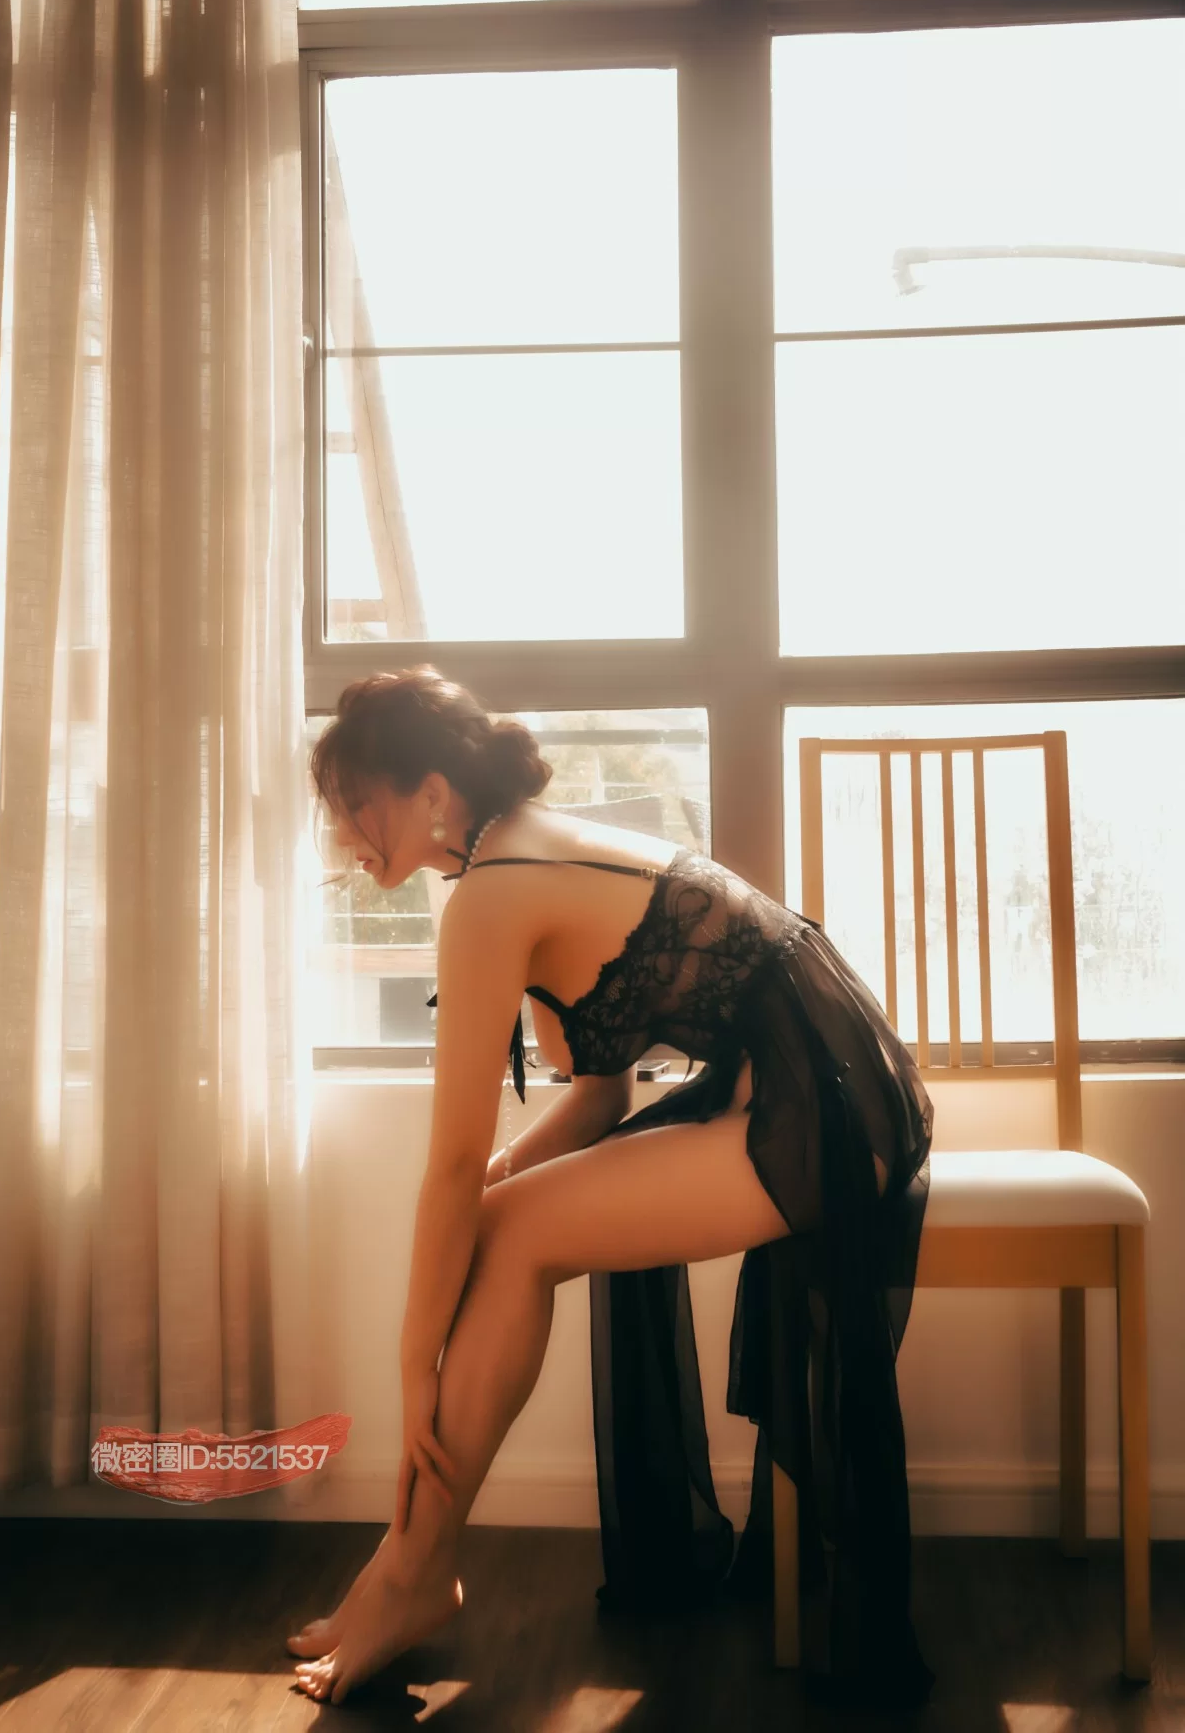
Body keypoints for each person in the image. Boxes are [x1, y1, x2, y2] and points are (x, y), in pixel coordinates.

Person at [289, 664, 936, 1710]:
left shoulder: (495, 888)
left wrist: (414, 1366)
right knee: (503, 1217)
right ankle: (407, 1566)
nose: (342, 835)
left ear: (433, 794)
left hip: (828, 1107)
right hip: (820, 1082)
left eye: (357, 802)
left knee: (507, 1231)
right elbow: (598, 1099)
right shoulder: (520, 847)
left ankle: (411, 1574)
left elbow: (450, 1164)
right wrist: (503, 1179)